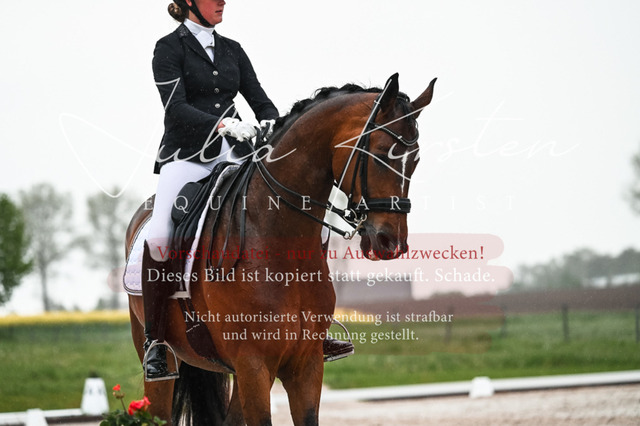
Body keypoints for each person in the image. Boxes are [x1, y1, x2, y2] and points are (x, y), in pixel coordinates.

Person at [143, 0, 353, 381]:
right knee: (159, 235)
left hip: (237, 152)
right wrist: (222, 126)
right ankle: (156, 340)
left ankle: (315, 328)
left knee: (308, 222)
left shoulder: (232, 50)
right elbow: (176, 108)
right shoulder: (168, 48)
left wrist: (273, 123)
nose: (222, 1)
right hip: (186, 155)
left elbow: (259, 99)